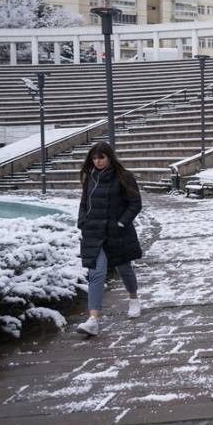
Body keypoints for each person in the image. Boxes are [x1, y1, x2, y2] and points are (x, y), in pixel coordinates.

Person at [75, 142, 143, 336]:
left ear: (109, 157)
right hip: (94, 233)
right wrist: (82, 222)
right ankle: (93, 320)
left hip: (116, 233)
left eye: (101, 157)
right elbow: (83, 204)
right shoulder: (91, 178)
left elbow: (135, 203)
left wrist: (121, 223)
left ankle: (133, 298)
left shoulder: (124, 177)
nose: (97, 161)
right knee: (96, 273)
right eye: (94, 158)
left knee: (124, 268)